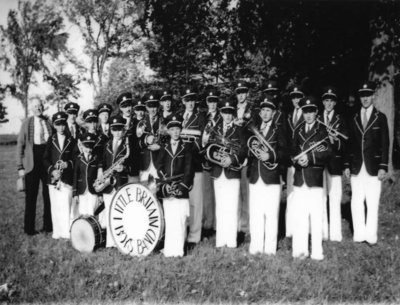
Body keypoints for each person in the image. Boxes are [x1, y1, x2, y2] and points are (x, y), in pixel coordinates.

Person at [344, 82, 389, 245]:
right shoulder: (354, 118)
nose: (365, 98)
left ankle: (371, 235)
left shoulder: (380, 117)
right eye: (362, 95)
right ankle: (359, 234)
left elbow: (385, 143)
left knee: (372, 201)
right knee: (356, 201)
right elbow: (350, 144)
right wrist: (347, 165)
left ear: (373, 96)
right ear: (360, 97)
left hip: (374, 166)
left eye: (368, 95)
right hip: (357, 165)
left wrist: (383, 166)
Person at [291, 96, 331, 260]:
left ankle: (316, 251)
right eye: (305, 111)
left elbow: (327, 152)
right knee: (300, 215)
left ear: (316, 112)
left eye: (311, 111)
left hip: (314, 179)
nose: (308, 115)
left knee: (315, 216)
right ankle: (300, 250)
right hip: (300, 178)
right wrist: (297, 159)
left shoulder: (322, 131)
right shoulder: (298, 130)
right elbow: (291, 152)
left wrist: (310, 158)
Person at [247, 96, 288, 255]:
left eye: (268, 110)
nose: (264, 113)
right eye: (263, 110)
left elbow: (285, 153)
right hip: (255, 176)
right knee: (256, 213)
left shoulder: (278, 130)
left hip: (271, 177)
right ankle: (256, 246)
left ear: (273, 112)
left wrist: (270, 157)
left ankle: (270, 248)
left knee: (271, 213)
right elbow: (247, 148)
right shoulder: (253, 128)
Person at [208, 99, 246, 248]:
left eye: (230, 113)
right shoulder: (215, 128)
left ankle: (231, 241)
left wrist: (232, 159)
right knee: (221, 207)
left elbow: (243, 150)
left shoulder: (239, 130)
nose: (228, 116)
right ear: (221, 113)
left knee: (232, 206)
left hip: (232, 172)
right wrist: (217, 157)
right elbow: (209, 149)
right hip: (218, 172)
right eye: (225, 112)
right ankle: (220, 240)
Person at [155, 114, 194, 257]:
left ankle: (178, 250)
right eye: (172, 129)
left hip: (180, 189)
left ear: (181, 130)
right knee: (170, 219)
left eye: (178, 129)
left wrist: (181, 187)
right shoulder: (164, 147)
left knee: (180, 219)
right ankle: (169, 249)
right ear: (169, 131)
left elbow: (189, 170)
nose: (175, 132)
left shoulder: (187, 147)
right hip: (167, 188)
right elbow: (159, 167)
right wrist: (166, 183)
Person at [17, 98, 53, 235]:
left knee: (48, 195)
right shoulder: (27, 123)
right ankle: (29, 229)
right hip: (32, 163)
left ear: (43, 107)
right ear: (32, 108)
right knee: (31, 197)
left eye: (40, 106)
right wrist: (20, 167)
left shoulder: (48, 122)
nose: (38, 108)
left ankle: (48, 226)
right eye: (35, 106)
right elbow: (20, 144)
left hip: (46, 161)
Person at [98, 115, 132, 248]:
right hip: (108, 182)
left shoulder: (128, 145)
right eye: (115, 129)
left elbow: (134, 165)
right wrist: (101, 170)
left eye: (120, 129)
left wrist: (124, 167)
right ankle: (110, 242)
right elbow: (101, 160)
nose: (117, 132)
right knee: (108, 212)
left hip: (120, 182)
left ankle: (121, 242)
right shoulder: (106, 144)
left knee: (120, 212)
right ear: (111, 130)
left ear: (124, 130)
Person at [179, 86, 206, 250]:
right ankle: (183, 232)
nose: (190, 103)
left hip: (195, 164)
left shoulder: (200, 116)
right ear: (183, 101)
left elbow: (202, 141)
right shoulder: (178, 116)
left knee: (196, 202)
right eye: (187, 100)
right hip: (180, 167)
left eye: (192, 100)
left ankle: (195, 235)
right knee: (183, 201)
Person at [320, 87, 348, 242]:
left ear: (335, 102)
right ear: (323, 102)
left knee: (335, 196)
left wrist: (336, 141)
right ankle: (323, 231)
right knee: (321, 196)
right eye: (326, 100)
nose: (328, 103)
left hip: (335, 162)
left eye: (331, 100)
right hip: (319, 163)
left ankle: (335, 234)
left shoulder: (340, 119)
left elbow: (345, 145)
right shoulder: (317, 117)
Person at [43, 112, 75, 239]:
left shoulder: (71, 140)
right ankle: (57, 232)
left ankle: (67, 232)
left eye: (63, 124)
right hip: (53, 179)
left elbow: (75, 158)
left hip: (67, 178)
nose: (61, 128)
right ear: (54, 126)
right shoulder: (51, 139)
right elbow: (45, 159)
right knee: (55, 205)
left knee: (66, 204)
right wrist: (52, 170)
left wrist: (68, 164)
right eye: (58, 125)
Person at [234, 81, 253, 243]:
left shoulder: (252, 111)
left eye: (244, 92)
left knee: (246, 193)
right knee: (236, 194)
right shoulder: (231, 110)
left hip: (246, 157)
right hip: (234, 156)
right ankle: (237, 225)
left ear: (247, 93)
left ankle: (246, 227)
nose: (241, 95)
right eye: (239, 92)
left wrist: (247, 156)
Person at [285, 85, 305, 238]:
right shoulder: (288, 115)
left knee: (303, 194)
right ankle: (290, 229)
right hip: (290, 159)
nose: (296, 100)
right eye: (294, 97)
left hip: (303, 158)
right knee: (290, 193)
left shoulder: (307, 114)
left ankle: (303, 227)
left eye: (298, 97)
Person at [201, 87, 221, 239]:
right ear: (207, 102)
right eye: (210, 101)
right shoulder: (202, 117)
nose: (212, 104)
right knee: (207, 193)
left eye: (214, 101)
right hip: (206, 159)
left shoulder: (223, 116)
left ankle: (219, 224)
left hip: (219, 159)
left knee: (220, 193)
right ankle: (208, 224)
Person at [73, 132, 102, 217]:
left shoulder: (96, 159)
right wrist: (75, 194)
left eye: (90, 147)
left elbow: (99, 177)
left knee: (91, 211)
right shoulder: (79, 159)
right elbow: (75, 175)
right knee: (82, 211)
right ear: (82, 145)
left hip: (93, 190)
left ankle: (91, 229)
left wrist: (100, 194)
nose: (88, 150)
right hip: (82, 190)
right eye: (86, 147)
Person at [138, 92, 162, 187]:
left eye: (155, 106)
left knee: (158, 190)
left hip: (159, 162)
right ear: (146, 107)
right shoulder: (141, 122)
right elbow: (136, 143)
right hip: (144, 163)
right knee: (144, 192)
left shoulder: (163, 121)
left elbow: (168, 141)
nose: (153, 109)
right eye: (150, 106)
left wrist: (160, 146)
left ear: (158, 107)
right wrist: (145, 140)